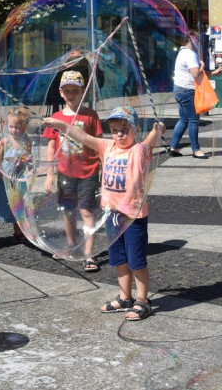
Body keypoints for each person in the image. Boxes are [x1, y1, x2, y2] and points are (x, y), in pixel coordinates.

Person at [43, 105, 163, 321]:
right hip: (111, 214)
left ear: (135, 129)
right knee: (118, 260)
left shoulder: (139, 151)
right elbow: (82, 136)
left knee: (137, 261)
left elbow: (151, 140)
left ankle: (143, 300)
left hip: (133, 216)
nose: (119, 134)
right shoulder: (107, 147)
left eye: (124, 130)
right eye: (115, 130)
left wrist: (157, 129)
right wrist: (61, 125)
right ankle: (125, 297)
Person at [43, 70, 103, 270]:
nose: (71, 94)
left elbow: (98, 144)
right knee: (68, 211)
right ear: (61, 92)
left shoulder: (90, 116)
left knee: (86, 211)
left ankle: (88, 254)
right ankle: (70, 244)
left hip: (89, 171)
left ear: (82, 91)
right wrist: (49, 174)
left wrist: (104, 170)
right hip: (65, 172)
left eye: (75, 90)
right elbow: (52, 146)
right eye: (66, 90)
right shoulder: (56, 117)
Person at [168, 29, 220, 159]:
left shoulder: (181, 53)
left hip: (179, 89)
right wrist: (202, 64)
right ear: (191, 40)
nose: (198, 42)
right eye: (197, 39)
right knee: (193, 120)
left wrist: (213, 73)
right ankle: (196, 150)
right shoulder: (190, 54)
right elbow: (196, 73)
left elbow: (194, 71)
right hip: (187, 90)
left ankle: (173, 147)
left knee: (184, 119)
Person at [0, 107, 28, 245]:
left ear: (24, 127)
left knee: (18, 208)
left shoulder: (26, 142)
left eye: (17, 127)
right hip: (3, 181)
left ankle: (18, 233)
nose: (14, 130)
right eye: (11, 126)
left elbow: (28, 158)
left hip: (18, 180)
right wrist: (2, 174)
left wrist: (30, 166)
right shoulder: (5, 142)